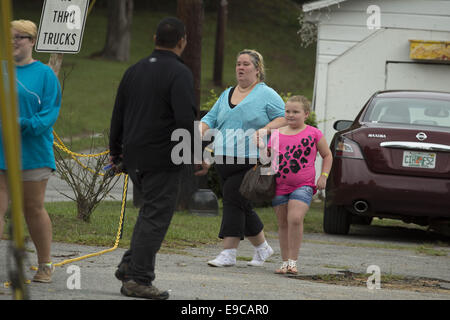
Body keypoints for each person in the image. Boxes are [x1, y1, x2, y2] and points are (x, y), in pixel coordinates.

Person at [109, 17, 206, 300]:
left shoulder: (134, 70)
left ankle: (130, 265)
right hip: (163, 155)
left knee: (149, 212)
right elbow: (185, 119)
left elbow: (118, 113)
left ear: (154, 39)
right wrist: (197, 156)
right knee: (156, 216)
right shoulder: (179, 73)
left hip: (135, 156)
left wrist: (116, 152)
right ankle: (139, 279)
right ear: (182, 41)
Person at [198, 49, 287, 268]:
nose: (241, 67)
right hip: (223, 158)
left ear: (257, 69)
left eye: (246, 64)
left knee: (232, 197)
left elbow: (284, 117)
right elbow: (210, 117)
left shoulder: (266, 94)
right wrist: (200, 131)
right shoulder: (227, 93)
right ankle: (263, 248)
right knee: (241, 204)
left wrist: (265, 129)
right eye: (238, 63)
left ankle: (229, 252)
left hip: (251, 158)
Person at [0, 20, 62, 283]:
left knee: (32, 209)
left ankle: (45, 264)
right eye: (10, 37)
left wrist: (20, 124)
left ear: (33, 41)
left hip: (32, 153)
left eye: (20, 37)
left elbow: (49, 115)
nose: (14, 41)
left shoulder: (45, 74)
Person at [267, 95, 332, 274]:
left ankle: (293, 261)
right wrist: (260, 148)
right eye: (287, 111)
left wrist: (323, 176)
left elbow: (327, 155)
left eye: (295, 112)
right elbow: (267, 160)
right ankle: (285, 262)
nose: (290, 115)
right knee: (283, 224)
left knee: (295, 218)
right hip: (279, 186)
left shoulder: (313, 133)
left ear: (306, 114)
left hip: (303, 185)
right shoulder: (276, 134)